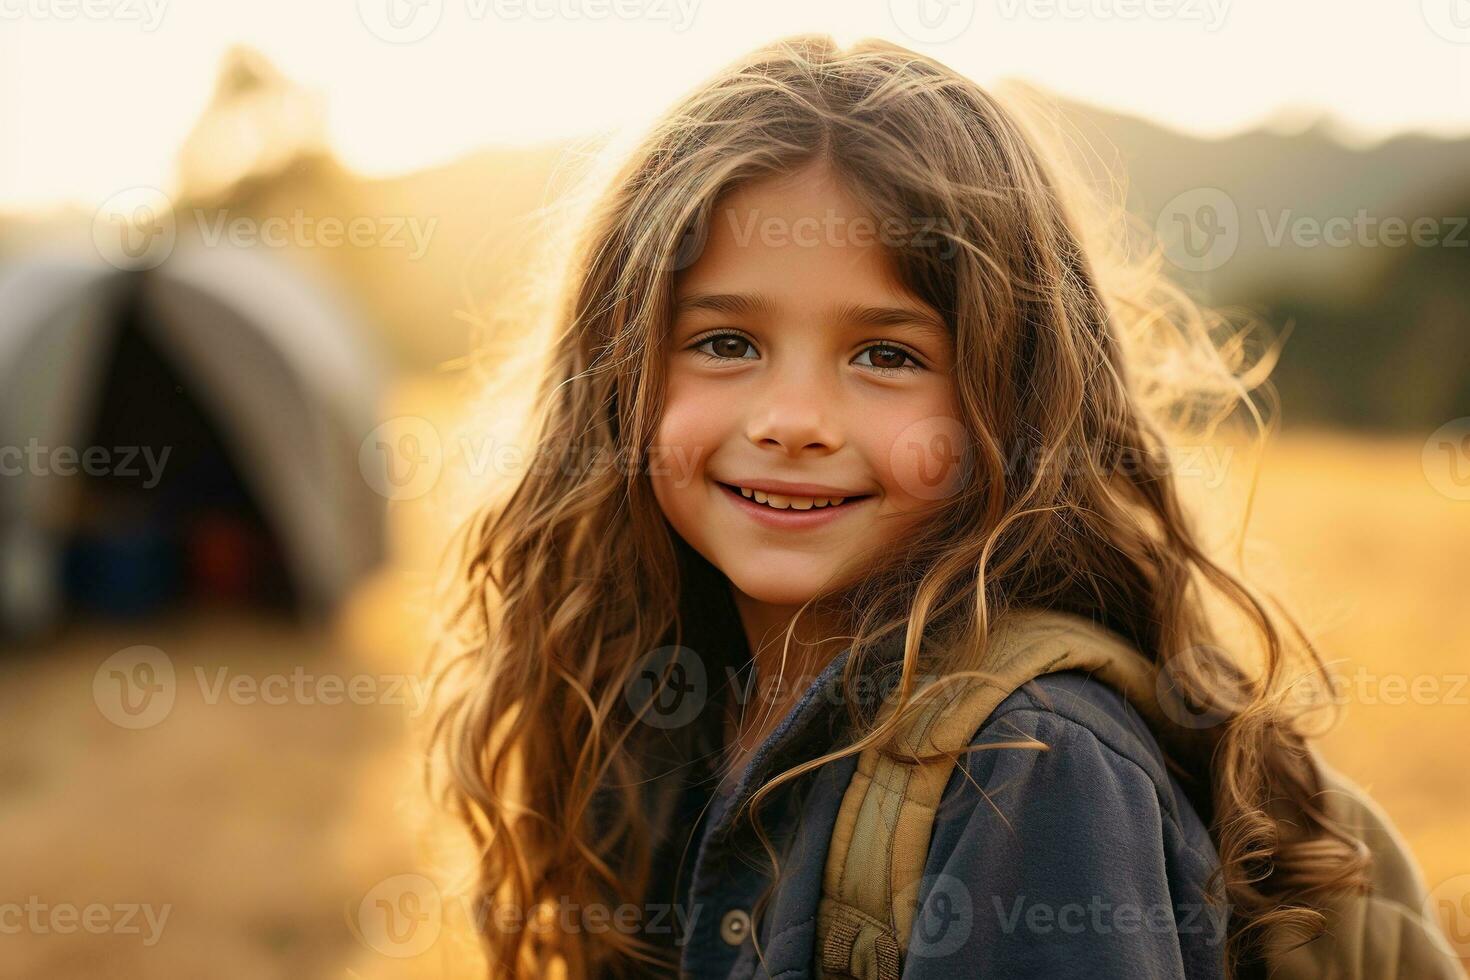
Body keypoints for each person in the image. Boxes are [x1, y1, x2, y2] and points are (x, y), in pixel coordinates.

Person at [429, 35, 1392, 979]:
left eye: (886, 355)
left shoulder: (1031, 769)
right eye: (725, 342)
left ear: (1013, 404)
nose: (794, 421)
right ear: (616, 372)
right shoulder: (649, 699)